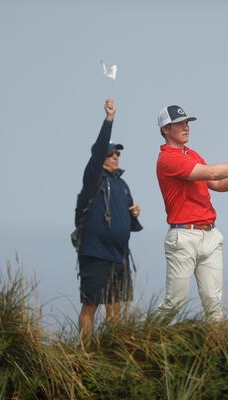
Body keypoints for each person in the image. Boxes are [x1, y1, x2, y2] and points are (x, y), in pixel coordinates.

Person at [154, 105, 228, 322]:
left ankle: (219, 352)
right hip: (184, 236)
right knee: (174, 303)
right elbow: (211, 172)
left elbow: (216, 183)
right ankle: (139, 341)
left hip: (210, 235)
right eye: (179, 123)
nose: (186, 127)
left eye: (187, 122)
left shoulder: (192, 154)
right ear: (166, 129)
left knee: (213, 304)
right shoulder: (168, 159)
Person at [75, 98, 143, 340]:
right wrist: (109, 119)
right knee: (91, 305)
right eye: (111, 153)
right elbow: (98, 149)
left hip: (119, 256)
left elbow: (128, 225)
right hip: (95, 254)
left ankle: (110, 353)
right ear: (101, 157)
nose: (115, 156)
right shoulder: (93, 178)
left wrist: (133, 215)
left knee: (116, 308)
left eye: (117, 153)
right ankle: (85, 352)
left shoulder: (122, 185)